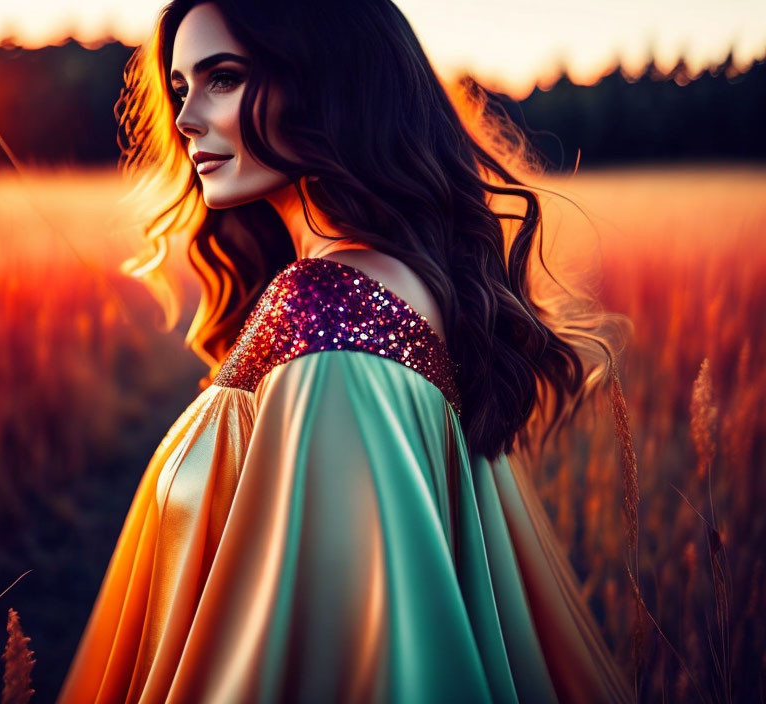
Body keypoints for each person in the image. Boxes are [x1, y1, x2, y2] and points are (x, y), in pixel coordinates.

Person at [57, 0, 635, 701]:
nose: (184, 120)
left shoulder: (334, 316)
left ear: (331, 81)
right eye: (180, 89)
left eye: (225, 78)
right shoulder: (392, 285)